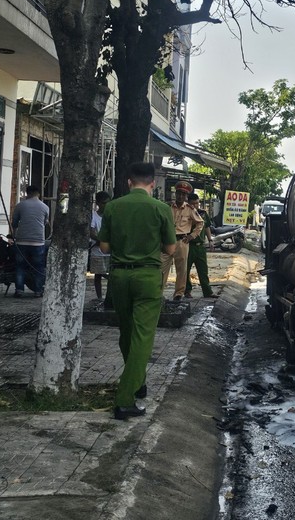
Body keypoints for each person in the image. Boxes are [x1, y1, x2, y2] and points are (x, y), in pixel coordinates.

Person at [98, 162, 176, 420]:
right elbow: (171, 250)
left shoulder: (112, 207)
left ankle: (138, 382)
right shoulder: (161, 208)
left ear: (129, 182)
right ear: (152, 184)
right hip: (147, 276)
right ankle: (125, 398)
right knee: (142, 336)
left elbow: (105, 247)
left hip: (119, 276)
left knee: (127, 332)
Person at [161, 181, 204, 301]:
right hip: (167, 241)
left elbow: (200, 223)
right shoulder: (167, 207)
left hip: (182, 242)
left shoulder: (190, 209)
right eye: (179, 193)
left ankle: (179, 293)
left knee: (182, 269)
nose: (180, 196)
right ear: (176, 194)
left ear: (186, 196)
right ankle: (159, 292)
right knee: (162, 268)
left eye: (183, 194)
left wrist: (192, 236)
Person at [11, 184, 49, 298]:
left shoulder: (20, 206)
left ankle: (19, 290)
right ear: (39, 194)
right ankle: (38, 291)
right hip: (38, 242)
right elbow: (45, 222)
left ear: (27, 193)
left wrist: (14, 234)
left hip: (22, 241)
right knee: (38, 267)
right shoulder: (45, 207)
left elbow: (14, 223)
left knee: (20, 266)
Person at [184, 192, 216, 298]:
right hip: (188, 245)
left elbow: (207, 227)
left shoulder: (202, 213)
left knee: (203, 270)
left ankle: (208, 292)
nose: (195, 206)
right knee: (185, 270)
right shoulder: (184, 213)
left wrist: (210, 240)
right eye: (193, 204)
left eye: (197, 203)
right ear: (188, 203)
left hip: (200, 246)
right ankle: (187, 291)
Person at [89, 191, 111, 300]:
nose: (106, 205)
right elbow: (91, 232)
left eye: (108, 203)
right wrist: (101, 240)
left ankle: (108, 297)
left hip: (109, 250)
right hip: (97, 250)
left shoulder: (111, 215)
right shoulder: (93, 216)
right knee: (98, 274)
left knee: (108, 272)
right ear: (98, 203)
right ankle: (99, 297)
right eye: (104, 203)